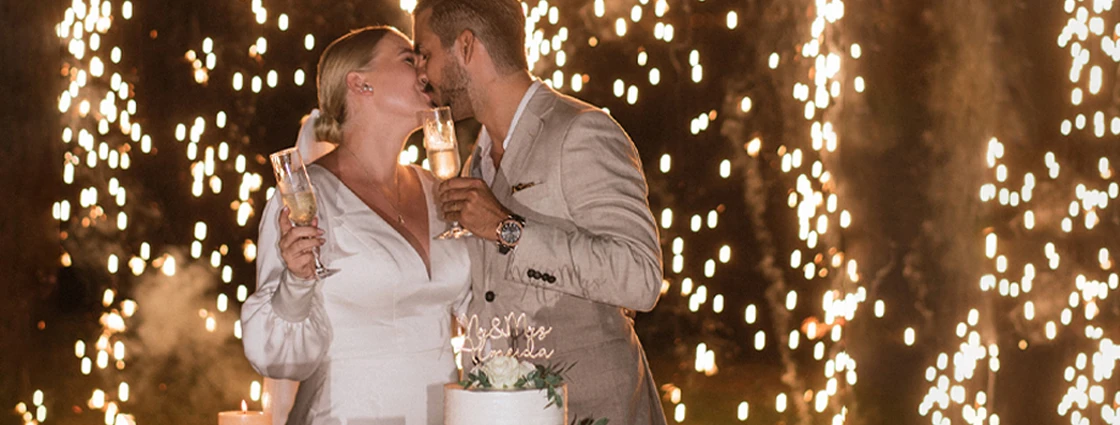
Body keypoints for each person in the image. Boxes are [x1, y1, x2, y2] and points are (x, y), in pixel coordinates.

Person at [412, 1, 668, 423]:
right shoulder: (475, 156)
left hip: (593, 408)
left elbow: (640, 277)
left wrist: (506, 230)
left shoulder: (581, 131)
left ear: (466, 46)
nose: (421, 71)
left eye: (426, 54)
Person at [241, 26, 471, 425]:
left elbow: (482, 311)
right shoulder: (305, 200)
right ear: (359, 83)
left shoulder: (439, 189)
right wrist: (295, 282)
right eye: (408, 59)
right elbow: (278, 359)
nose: (424, 69)